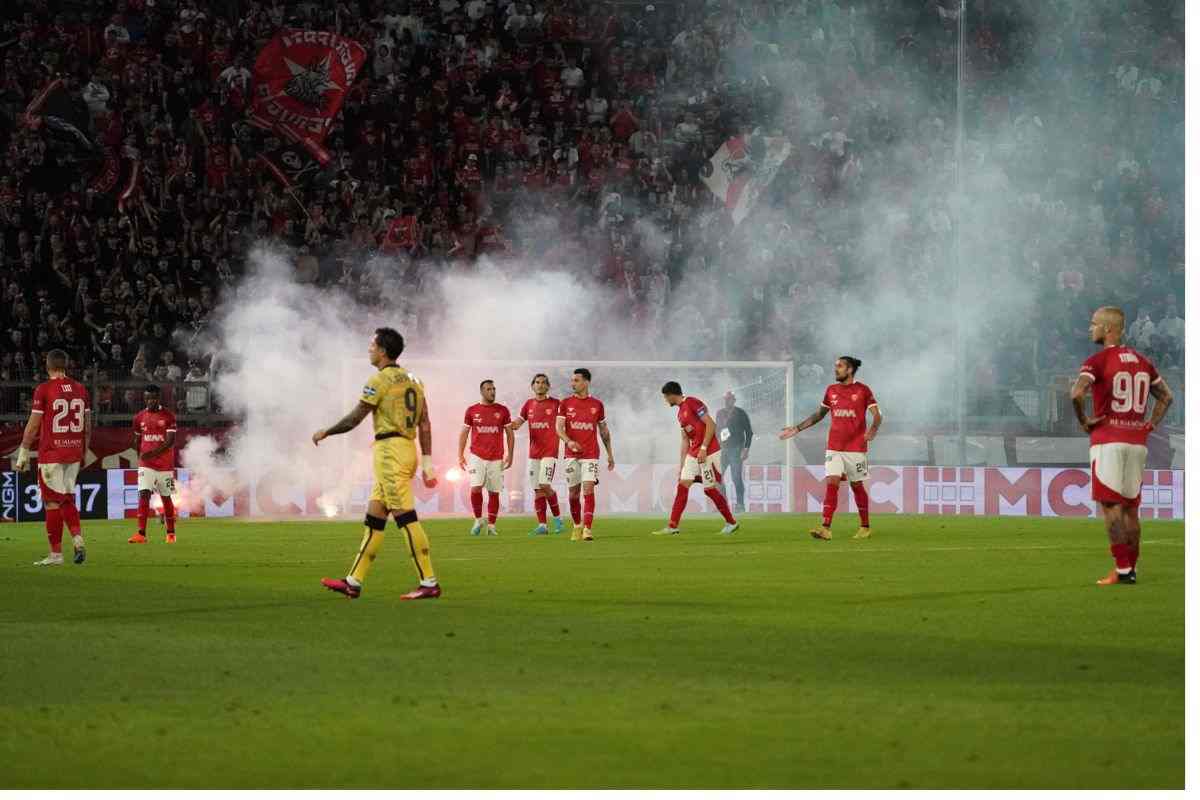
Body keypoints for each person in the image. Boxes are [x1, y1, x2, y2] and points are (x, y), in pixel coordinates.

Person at [314, 328, 441, 601]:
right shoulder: (414, 380)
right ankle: (353, 581)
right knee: (375, 518)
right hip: (406, 448)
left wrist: (326, 432)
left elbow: (355, 418)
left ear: (383, 350)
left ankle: (428, 581)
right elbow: (425, 422)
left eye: (372, 344)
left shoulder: (379, 380)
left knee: (405, 516)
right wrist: (427, 461)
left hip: (390, 451)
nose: (369, 348)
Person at [1070, 306, 1173, 585]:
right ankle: (1132, 568)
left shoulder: (1098, 361)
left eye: (1094, 324)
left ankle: (1122, 569)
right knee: (1130, 508)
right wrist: (1149, 425)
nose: (1090, 329)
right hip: (1137, 442)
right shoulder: (1142, 362)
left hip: (1108, 440)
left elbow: (1077, 393)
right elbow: (1166, 396)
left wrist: (1085, 421)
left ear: (1108, 329)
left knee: (1111, 506)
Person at [779, 356, 882, 540]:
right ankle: (826, 528)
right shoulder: (831, 390)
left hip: (856, 448)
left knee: (857, 486)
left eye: (840, 366)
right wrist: (796, 428)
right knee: (832, 483)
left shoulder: (863, 390)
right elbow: (819, 415)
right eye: (836, 366)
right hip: (834, 447)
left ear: (849, 370)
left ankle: (865, 526)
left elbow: (877, 415)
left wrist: (873, 430)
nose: (836, 369)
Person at [13, 349, 91, 565]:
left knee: (51, 503)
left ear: (47, 366)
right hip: (74, 452)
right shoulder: (81, 389)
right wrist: (84, 452)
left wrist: (23, 452)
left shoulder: (44, 389)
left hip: (52, 454)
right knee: (66, 497)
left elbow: (34, 425)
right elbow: (88, 426)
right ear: (66, 366)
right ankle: (78, 540)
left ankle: (56, 554)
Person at [652, 382, 740, 536]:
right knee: (682, 485)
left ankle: (731, 522)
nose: (665, 400)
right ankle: (673, 526)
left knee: (709, 490)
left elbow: (711, 425)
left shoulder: (692, 402)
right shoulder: (680, 413)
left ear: (672, 394)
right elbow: (685, 440)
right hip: (694, 454)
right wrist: (681, 465)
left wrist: (704, 448)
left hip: (709, 452)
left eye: (666, 397)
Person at [555, 368, 615, 541]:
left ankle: (588, 528)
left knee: (588, 488)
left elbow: (604, 432)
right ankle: (577, 526)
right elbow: (558, 428)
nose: (572, 383)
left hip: (591, 454)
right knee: (574, 493)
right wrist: (569, 441)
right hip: (571, 454)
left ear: (586, 382)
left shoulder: (597, 405)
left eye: (576, 380)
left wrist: (610, 454)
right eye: (572, 380)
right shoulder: (565, 403)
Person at [510, 372, 566, 536]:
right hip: (534, 453)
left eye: (543, 382)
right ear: (532, 386)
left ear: (548, 386)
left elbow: (565, 422)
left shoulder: (556, 404)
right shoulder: (528, 405)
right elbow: (518, 423)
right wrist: (507, 423)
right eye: (537, 382)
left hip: (550, 452)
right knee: (537, 489)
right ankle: (543, 525)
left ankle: (558, 519)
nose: (540, 385)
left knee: (544, 484)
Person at [458, 379, 514, 536]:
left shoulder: (503, 410)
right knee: (475, 488)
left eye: (494, 389)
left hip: (496, 457)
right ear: (482, 391)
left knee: (494, 492)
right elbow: (464, 433)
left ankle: (491, 525)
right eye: (489, 389)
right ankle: (477, 519)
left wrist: (511, 454)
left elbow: (510, 434)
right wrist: (460, 454)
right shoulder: (472, 410)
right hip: (476, 455)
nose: (493, 392)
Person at [129, 385, 179, 544]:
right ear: (144, 399)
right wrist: (140, 455)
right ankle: (141, 534)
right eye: (148, 398)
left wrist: (152, 453)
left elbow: (170, 442)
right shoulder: (139, 417)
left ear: (159, 398)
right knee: (144, 494)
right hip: (146, 465)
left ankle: (171, 533)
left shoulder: (169, 416)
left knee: (167, 497)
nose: (151, 401)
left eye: (154, 398)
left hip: (166, 466)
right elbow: (137, 439)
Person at [715, 390, 753, 512]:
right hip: (723, 449)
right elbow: (717, 430)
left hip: (736, 448)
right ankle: (723, 505)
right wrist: (715, 446)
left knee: (736, 477)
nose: (727, 401)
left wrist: (746, 449)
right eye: (726, 399)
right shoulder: (720, 413)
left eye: (730, 399)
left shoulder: (740, 413)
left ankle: (740, 505)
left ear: (734, 400)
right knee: (717, 477)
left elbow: (749, 432)